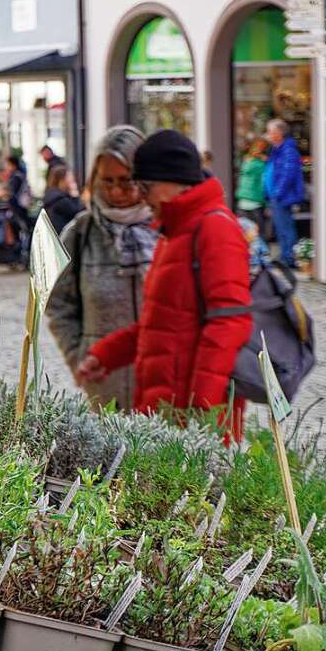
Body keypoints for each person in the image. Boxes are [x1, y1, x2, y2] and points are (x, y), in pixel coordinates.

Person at [76, 130, 253, 438]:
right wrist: (105, 354)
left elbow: (230, 322)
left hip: (192, 419)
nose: (141, 195)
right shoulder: (173, 233)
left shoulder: (214, 229)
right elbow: (158, 324)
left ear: (173, 181)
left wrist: (203, 411)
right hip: (163, 408)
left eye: (145, 186)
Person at [46, 125, 157, 410]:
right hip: (104, 384)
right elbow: (59, 304)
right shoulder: (81, 233)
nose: (117, 191)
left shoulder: (167, 229)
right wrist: (78, 356)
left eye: (126, 180)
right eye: (107, 181)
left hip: (165, 384)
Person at [264, 119, 305, 268]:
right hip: (276, 196)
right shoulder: (277, 149)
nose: (268, 135)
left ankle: (289, 259)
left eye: (270, 132)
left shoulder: (288, 150)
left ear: (279, 133)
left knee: (286, 228)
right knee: (280, 229)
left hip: (282, 196)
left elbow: (288, 173)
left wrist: (277, 192)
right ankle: (285, 256)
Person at [235, 139, 268, 238]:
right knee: (259, 232)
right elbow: (264, 183)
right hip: (256, 201)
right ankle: (261, 251)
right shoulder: (262, 165)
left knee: (245, 232)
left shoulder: (245, 163)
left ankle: (248, 252)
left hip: (243, 201)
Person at [42, 165, 84, 235]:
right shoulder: (60, 200)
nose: (72, 179)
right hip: (63, 238)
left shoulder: (52, 195)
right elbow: (78, 213)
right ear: (62, 179)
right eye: (69, 176)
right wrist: (75, 195)